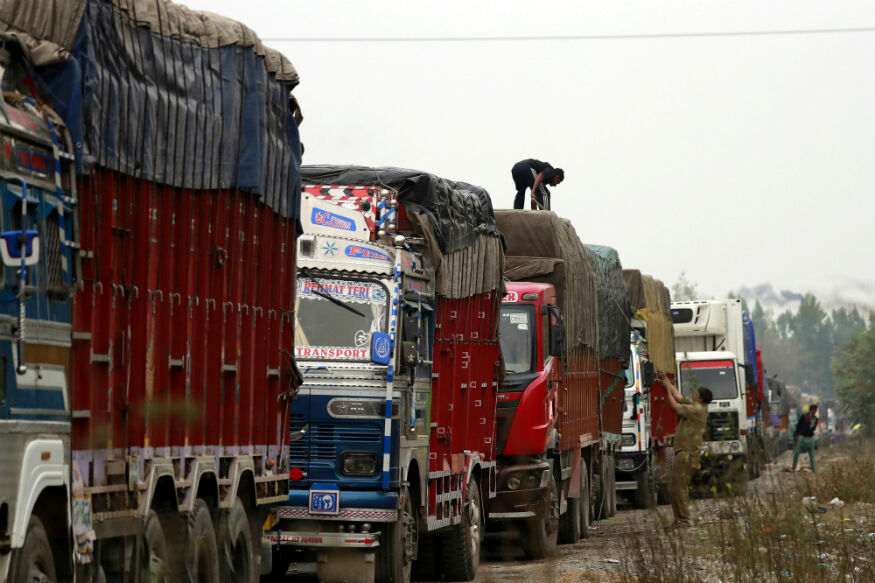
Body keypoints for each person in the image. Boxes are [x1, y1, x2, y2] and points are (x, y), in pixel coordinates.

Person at [658, 370, 712, 529]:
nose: (693, 395)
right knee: (676, 486)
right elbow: (679, 396)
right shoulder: (696, 406)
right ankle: (679, 519)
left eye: (695, 393)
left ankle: (683, 520)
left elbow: (674, 406)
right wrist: (666, 380)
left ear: (700, 398)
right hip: (684, 451)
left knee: (679, 487)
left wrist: (666, 389)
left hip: (687, 453)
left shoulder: (697, 410)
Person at [792, 404, 818, 472]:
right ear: (810, 410)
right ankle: (793, 467)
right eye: (812, 410)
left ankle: (814, 469)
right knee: (796, 453)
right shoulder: (804, 416)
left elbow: (814, 428)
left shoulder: (816, 419)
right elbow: (798, 425)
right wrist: (796, 435)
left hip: (810, 438)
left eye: (815, 410)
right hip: (802, 437)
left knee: (812, 455)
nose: (813, 411)